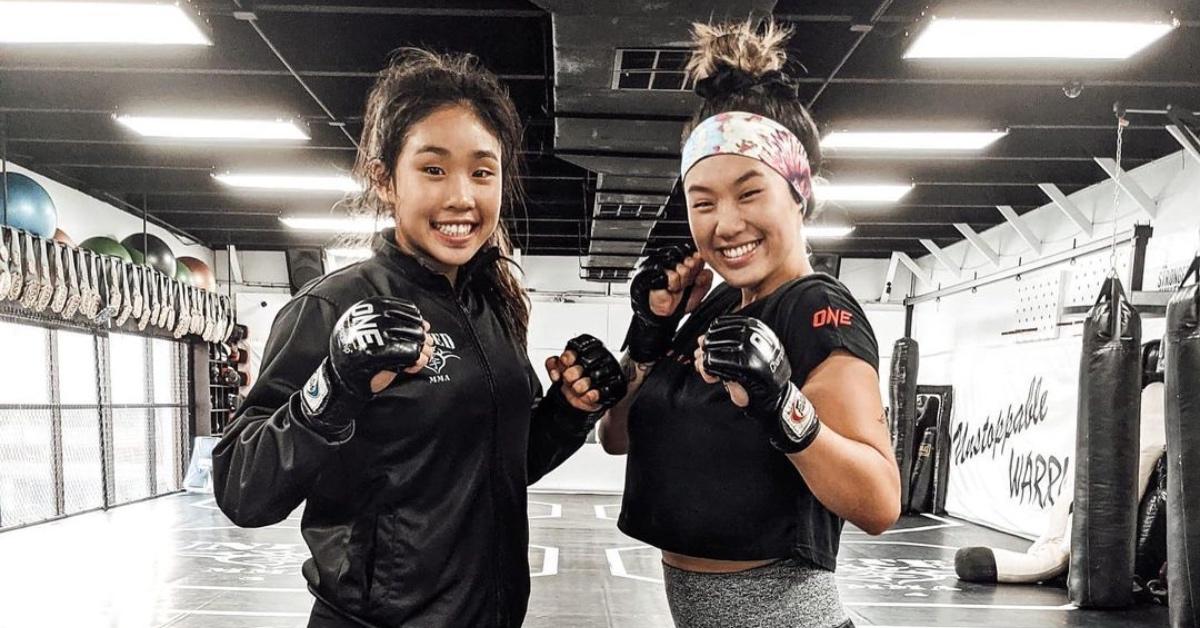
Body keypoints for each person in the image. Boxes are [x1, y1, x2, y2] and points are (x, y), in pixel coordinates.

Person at [211, 48, 626, 628]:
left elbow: (503, 462)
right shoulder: (331, 306)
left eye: (482, 171)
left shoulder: (493, 307)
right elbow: (241, 489)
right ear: (386, 180)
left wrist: (567, 410)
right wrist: (335, 386)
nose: (462, 197)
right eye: (434, 169)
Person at [597, 21, 901, 628]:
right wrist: (650, 334)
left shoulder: (816, 310)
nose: (725, 224)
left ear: (797, 193)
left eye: (749, 193)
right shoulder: (714, 306)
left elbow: (879, 502)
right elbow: (617, 436)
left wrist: (781, 404)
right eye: (702, 202)